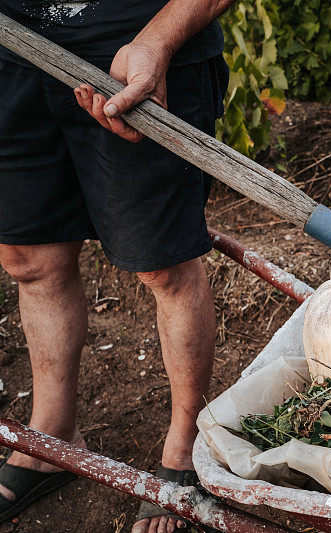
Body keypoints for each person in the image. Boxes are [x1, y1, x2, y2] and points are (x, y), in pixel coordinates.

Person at [0, 1, 234, 531]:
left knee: (164, 266)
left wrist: (157, 40)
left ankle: (186, 444)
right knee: (27, 258)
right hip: (11, 41)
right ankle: (51, 436)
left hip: (132, 43)